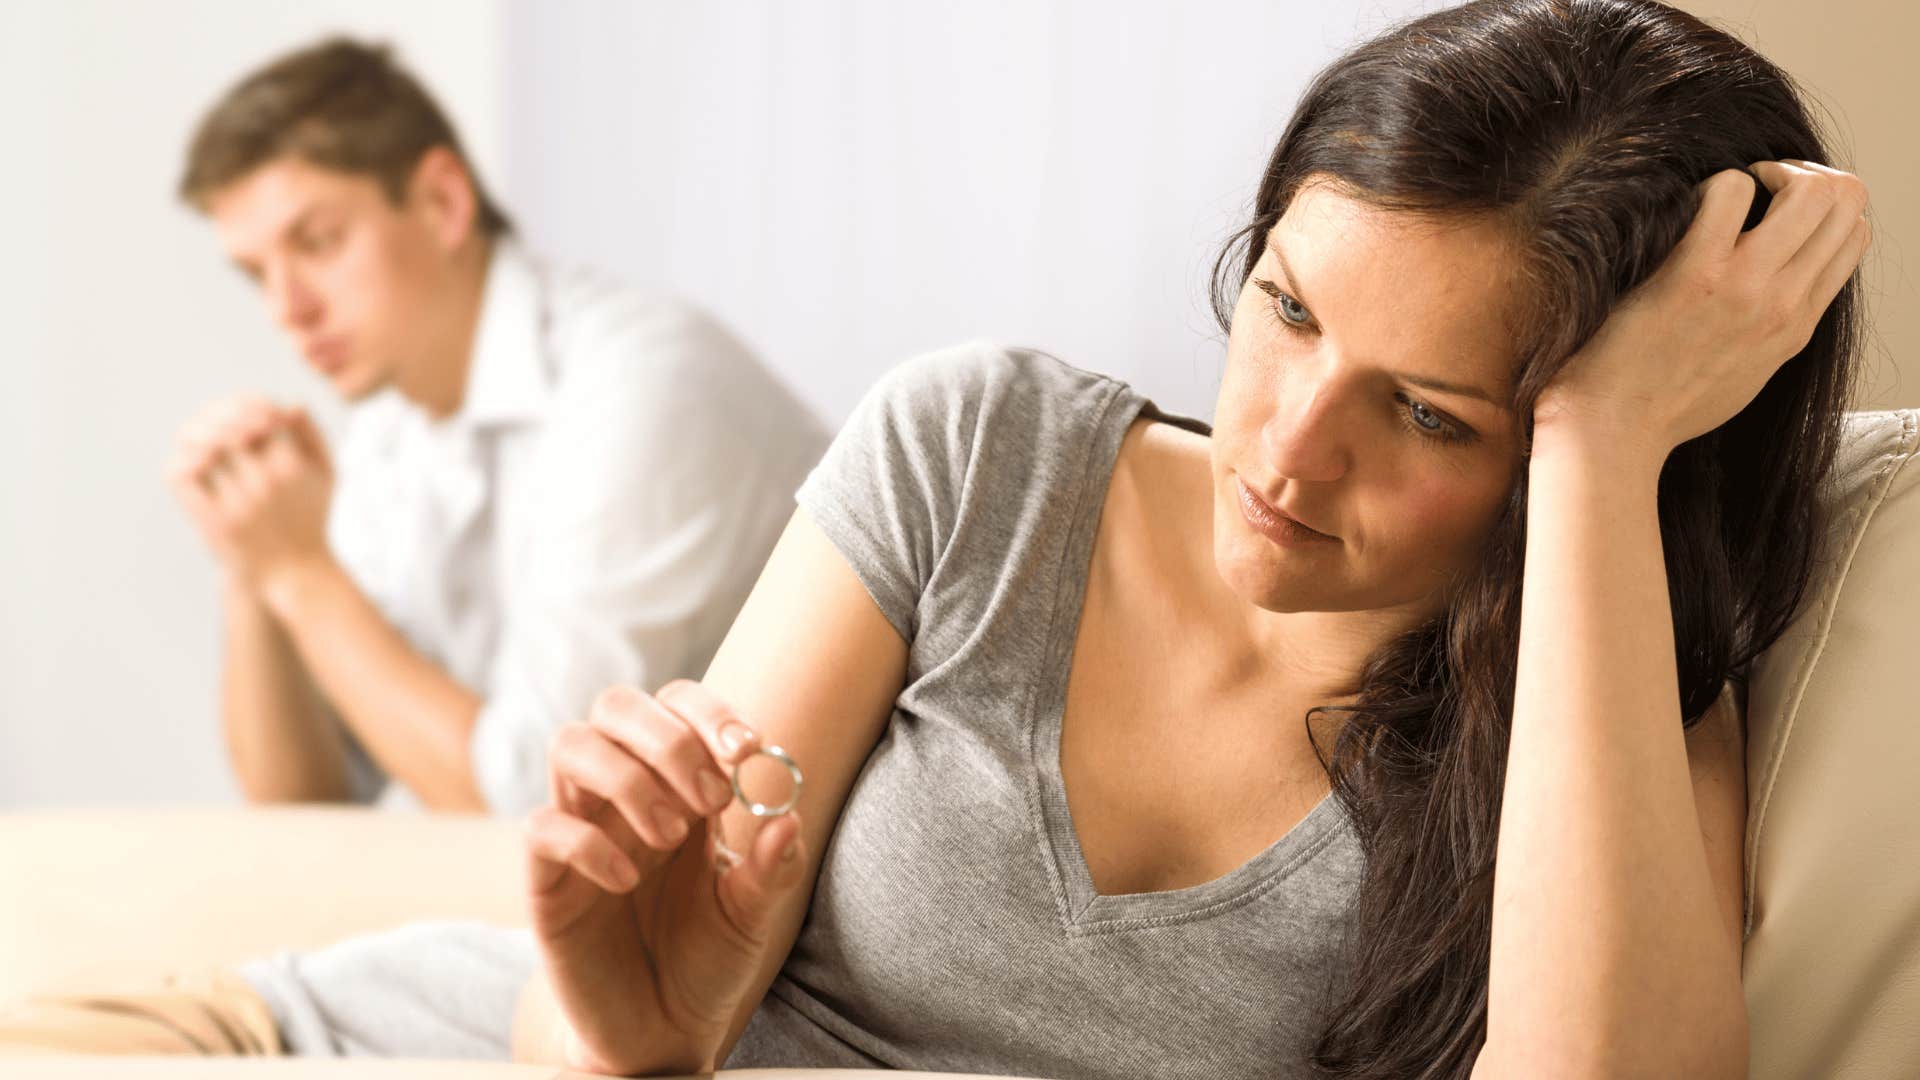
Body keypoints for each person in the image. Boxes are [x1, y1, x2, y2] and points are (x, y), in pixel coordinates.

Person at [0, 0, 1871, 1075]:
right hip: (347, 1045)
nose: (1285, 448)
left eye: (1436, 415)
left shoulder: (1588, 725)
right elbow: (604, 1032)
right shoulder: (984, 451)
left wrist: (1613, 443)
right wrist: (634, 1027)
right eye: (1288, 308)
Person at [163, 38, 829, 816]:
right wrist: (254, 568)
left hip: (794, 892)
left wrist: (303, 573)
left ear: (444, 203)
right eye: (256, 275)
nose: (287, 308)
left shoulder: (640, 387)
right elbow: (308, 808)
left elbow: (535, 806)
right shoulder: (388, 429)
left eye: (317, 243)